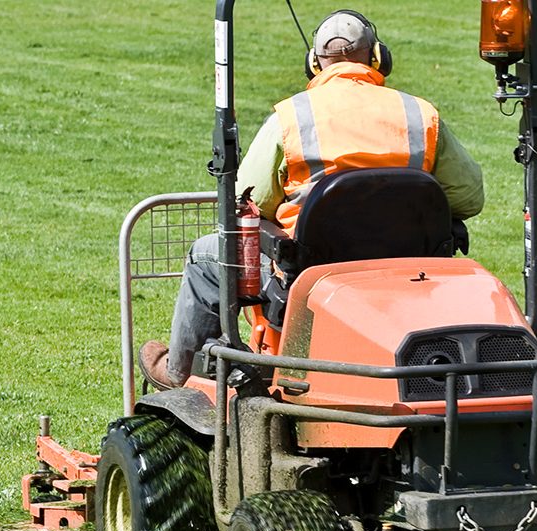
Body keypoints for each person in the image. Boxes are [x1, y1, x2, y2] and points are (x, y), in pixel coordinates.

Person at [140, 9, 486, 389]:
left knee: (206, 255)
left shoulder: (291, 118)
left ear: (315, 63)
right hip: (408, 275)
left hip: (311, 276)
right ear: (377, 57)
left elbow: (244, 200)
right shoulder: (420, 114)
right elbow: (469, 197)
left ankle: (182, 373)